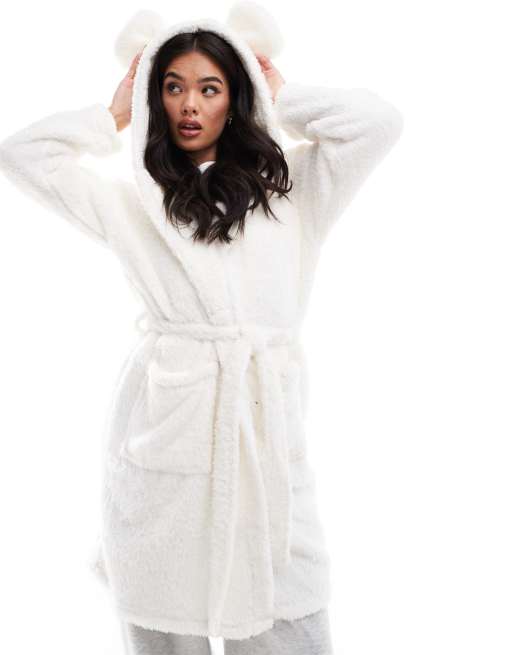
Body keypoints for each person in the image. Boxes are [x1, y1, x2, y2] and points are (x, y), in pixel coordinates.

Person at [0, 3, 403, 653]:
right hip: (166, 437)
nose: (189, 104)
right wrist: (111, 115)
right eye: (173, 86)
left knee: (287, 615)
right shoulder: (133, 204)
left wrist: (283, 96)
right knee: (164, 613)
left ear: (235, 97)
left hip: (263, 434)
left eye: (210, 88)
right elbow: (22, 155)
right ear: (153, 98)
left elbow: (378, 124)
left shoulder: (294, 190)